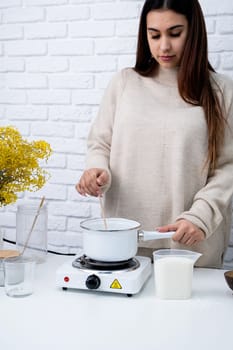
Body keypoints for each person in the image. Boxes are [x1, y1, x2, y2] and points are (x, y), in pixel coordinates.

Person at [76, 0, 233, 268]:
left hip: (189, 245)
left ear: (194, 31)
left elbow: (227, 168)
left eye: (175, 33)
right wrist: (96, 170)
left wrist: (200, 217)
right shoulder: (125, 83)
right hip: (124, 243)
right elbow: (100, 144)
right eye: (154, 34)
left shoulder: (220, 92)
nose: (164, 46)